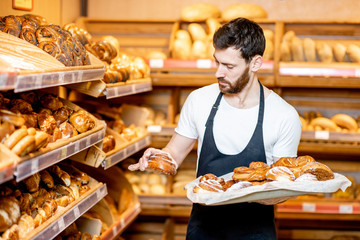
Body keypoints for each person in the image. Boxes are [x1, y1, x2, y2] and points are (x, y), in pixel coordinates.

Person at [129, 17, 302, 240]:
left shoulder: (283, 115)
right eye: (217, 62)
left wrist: (238, 191)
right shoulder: (199, 100)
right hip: (203, 230)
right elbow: (175, 155)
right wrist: (159, 159)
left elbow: (282, 188)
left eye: (229, 66)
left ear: (256, 63)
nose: (218, 73)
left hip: (255, 232)